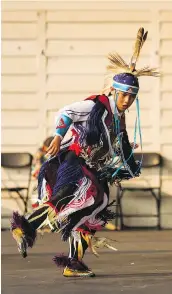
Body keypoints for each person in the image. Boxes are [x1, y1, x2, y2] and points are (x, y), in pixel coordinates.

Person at [10, 27, 159, 277]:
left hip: (93, 168)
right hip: (74, 161)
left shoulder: (118, 119)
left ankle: (72, 264)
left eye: (131, 97)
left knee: (94, 212)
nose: (126, 101)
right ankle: (26, 227)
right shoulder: (95, 105)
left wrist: (131, 165)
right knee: (78, 195)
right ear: (114, 90)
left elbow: (121, 145)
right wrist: (58, 136)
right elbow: (67, 112)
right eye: (123, 95)